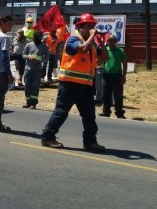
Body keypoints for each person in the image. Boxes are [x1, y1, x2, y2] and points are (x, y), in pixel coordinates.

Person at [40, 13, 109, 152]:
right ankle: (48, 136)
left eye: (93, 26)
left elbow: (104, 59)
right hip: (69, 84)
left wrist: (101, 41)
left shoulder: (93, 44)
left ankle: (90, 142)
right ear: (80, 27)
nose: (92, 29)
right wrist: (92, 36)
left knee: (89, 115)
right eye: (89, 26)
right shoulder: (73, 39)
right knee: (61, 112)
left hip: (86, 85)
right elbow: (82, 49)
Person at [99, 35, 127, 119]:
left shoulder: (120, 51)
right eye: (110, 40)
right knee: (106, 95)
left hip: (117, 76)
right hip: (106, 75)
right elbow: (100, 61)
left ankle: (119, 113)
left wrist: (124, 75)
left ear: (116, 42)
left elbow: (124, 63)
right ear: (107, 41)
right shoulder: (105, 50)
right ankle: (106, 111)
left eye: (114, 40)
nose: (112, 42)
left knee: (118, 95)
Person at [22, 31, 49, 109]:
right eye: (38, 36)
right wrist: (29, 57)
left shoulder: (44, 46)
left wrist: (39, 60)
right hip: (28, 69)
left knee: (35, 86)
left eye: (41, 36)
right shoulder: (28, 45)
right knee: (27, 86)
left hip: (37, 69)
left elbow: (46, 58)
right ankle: (28, 102)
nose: (40, 38)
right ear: (34, 37)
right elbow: (23, 55)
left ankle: (33, 103)